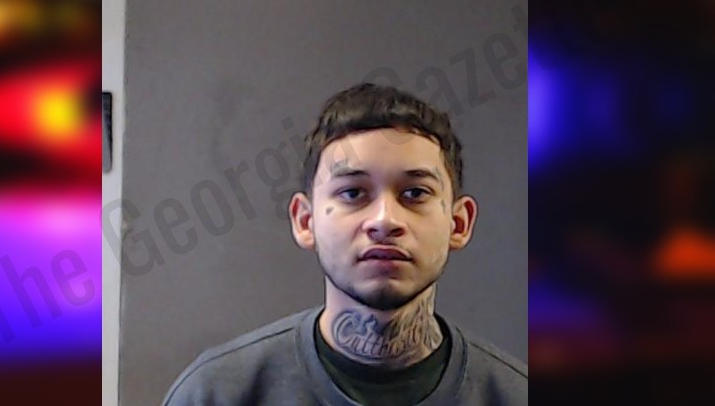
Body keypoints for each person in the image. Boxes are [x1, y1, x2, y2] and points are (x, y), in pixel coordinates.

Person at [163, 83, 527, 405]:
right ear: (305, 221)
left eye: (415, 193)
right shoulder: (215, 394)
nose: (385, 220)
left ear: (458, 224)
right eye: (353, 193)